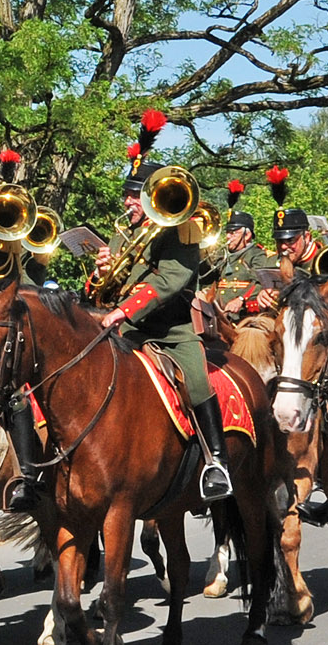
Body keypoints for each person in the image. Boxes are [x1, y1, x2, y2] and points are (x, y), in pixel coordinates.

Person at [85, 128, 232, 506]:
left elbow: (172, 280)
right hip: (125, 330)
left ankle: (217, 462)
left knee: (197, 382)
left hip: (170, 329)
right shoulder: (122, 233)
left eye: (135, 195)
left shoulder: (183, 228)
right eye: (127, 194)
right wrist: (101, 274)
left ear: (153, 197)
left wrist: (124, 309)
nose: (128, 201)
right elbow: (101, 290)